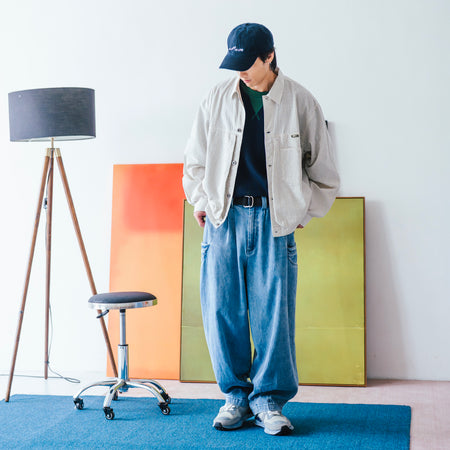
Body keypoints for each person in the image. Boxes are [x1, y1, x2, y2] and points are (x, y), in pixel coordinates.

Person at [182, 23, 340, 436]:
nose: (241, 73)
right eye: (234, 65)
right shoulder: (216, 99)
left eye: (248, 64)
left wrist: (301, 212)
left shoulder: (301, 101)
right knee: (222, 313)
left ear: (269, 56)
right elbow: (195, 162)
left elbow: (324, 173)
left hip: (274, 222)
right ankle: (235, 398)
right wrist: (202, 201)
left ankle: (268, 402)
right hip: (224, 220)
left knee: (274, 317)